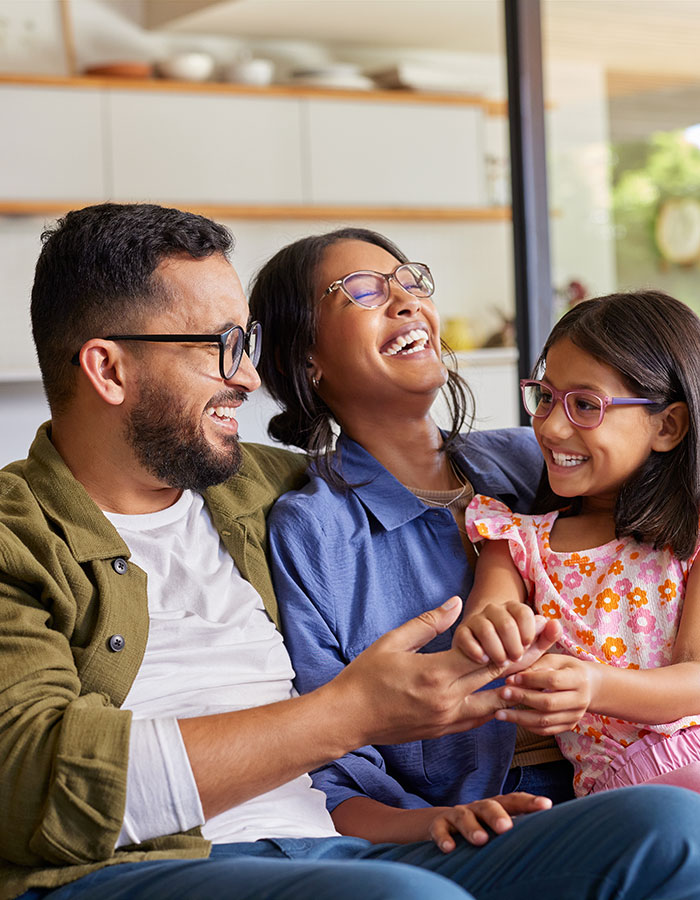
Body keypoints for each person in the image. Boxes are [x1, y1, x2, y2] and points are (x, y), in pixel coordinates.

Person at [3, 205, 700, 900]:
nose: (246, 378)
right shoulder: (27, 536)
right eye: (220, 345)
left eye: (244, 343)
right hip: (163, 861)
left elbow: (658, 483)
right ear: (109, 369)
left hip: (347, 846)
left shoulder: (252, 487)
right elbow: (32, 783)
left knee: (675, 827)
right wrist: (353, 715)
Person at [250, 227, 575, 848]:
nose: (405, 301)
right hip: (480, 833)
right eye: (364, 292)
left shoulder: (537, 458)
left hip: (637, 765)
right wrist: (427, 824)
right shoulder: (314, 529)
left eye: (409, 281)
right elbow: (327, 764)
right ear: (306, 358)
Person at [457, 290, 700, 797]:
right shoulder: (517, 540)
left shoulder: (692, 536)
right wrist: (496, 631)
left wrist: (595, 686)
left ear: (668, 425)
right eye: (544, 396)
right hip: (620, 794)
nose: (551, 424)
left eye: (585, 405)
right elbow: (487, 618)